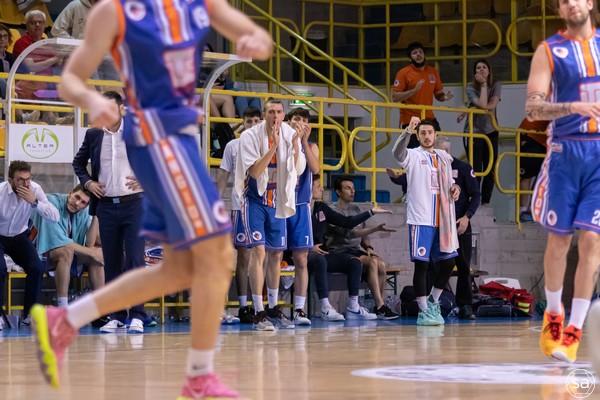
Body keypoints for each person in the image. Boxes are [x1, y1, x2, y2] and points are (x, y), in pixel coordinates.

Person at [29, 1, 273, 399]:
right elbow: (70, 80)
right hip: (153, 142)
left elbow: (260, 39)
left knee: (179, 269)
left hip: (182, 142)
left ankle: (65, 320)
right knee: (217, 255)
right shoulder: (114, 12)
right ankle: (198, 376)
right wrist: (94, 102)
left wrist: (253, 40)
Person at [525, 0, 600, 363]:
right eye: (564, 0)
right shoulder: (549, 50)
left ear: (590, 3)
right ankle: (553, 313)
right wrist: (572, 107)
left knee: (592, 241)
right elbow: (532, 109)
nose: (571, 3)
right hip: (565, 153)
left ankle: (574, 329)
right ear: (559, 10)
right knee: (559, 241)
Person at [72, 91, 148, 334]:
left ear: (121, 109)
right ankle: (116, 315)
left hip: (135, 204)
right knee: (111, 261)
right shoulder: (94, 134)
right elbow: (78, 163)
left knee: (134, 259)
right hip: (105, 205)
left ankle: (137, 315)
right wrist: (88, 183)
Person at [233, 98, 306, 331]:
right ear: (264, 115)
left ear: (284, 115)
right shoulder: (249, 137)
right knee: (259, 251)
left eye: (279, 112)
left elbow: (299, 169)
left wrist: (296, 146)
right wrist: (273, 146)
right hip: (254, 199)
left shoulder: (290, 133)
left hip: (277, 201)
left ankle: (273, 308)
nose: (275, 116)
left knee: (276, 254)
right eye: (271, 112)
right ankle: (258, 311)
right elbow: (255, 172)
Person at [392, 117, 461, 326]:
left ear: (435, 135)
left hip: (443, 219)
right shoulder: (413, 155)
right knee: (422, 265)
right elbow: (397, 153)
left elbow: (450, 183)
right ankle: (423, 311)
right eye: (422, 133)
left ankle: (433, 301)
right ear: (418, 135)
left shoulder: (443, 157)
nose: (427, 136)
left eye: (430, 132)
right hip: (421, 219)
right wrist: (407, 131)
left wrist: (455, 189)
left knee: (449, 263)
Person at [310, 175, 390, 320]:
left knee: (375, 264)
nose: (322, 189)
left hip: (351, 251)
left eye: (353, 188)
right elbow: (349, 232)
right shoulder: (312, 208)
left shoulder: (324, 207)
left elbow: (350, 223)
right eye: (348, 188)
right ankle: (325, 306)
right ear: (338, 192)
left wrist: (368, 246)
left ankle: (359, 306)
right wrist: (375, 226)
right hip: (337, 250)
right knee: (371, 262)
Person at [216, 106, 262, 324]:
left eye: (256, 121)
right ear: (242, 123)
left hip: (265, 206)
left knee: (264, 255)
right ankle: (244, 306)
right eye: (248, 121)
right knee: (244, 255)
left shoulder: (269, 144)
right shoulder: (232, 146)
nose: (252, 125)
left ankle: (263, 305)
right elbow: (223, 177)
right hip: (241, 205)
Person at [0, 160, 59, 328]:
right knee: (0, 269)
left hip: (19, 236)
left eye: (28, 179)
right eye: (20, 180)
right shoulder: (1, 192)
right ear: (10, 181)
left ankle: (28, 315)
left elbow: (55, 217)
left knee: (37, 268)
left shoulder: (35, 190)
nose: (26, 184)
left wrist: (35, 202)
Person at [390, 42, 453, 197]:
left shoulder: (432, 71)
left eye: (420, 52)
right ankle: (407, 193)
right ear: (410, 58)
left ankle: (439, 187)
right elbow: (395, 97)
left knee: (438, 151)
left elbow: (438, 94)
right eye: (414, 53)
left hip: (429, 118)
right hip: (410, 119)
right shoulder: (404, 73)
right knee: (411, 157)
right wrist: (413, 90)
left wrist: (445, 97)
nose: (418, 55)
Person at [30, 185, 104, 309]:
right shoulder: (51, 202)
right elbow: (58, 240)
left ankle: (102, 308)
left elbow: (89, 244)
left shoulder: (83, 212)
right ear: (70, 193)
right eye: (77, 197)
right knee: (68, 251)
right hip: (43, 252)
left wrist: (95, 215)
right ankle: (63, 307)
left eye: (83, 202)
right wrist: (92, 252)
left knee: (97, 258)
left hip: (69, 253)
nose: (77, 203)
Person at [433, 136, 480, 320]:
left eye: (443, 151)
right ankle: (437, 303)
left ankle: (465, 305)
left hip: (459, 223)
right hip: (437, 224)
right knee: (435, 265)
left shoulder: (463, 168)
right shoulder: (430, 168)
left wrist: (467, 217)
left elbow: (476, 195)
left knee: (463, 266)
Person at [284, 107, 319, 326]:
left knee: (301, 259)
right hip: (280, 204)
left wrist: (304, 142)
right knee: (273, 256)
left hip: (301, 205)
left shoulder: (312, 146)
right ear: (288, 121)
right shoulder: (280, 140)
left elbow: (315, 169)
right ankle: (269, 306)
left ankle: (299, 309)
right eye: (297, 119)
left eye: (305, 120)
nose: (301, 123)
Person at [458, 59, 502, 205]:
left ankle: (485, 202)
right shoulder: (470, 87)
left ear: (489, 71)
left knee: (490, 169)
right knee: (475, 169)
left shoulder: (496, 84)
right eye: (478, 68)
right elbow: (483, 105)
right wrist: (483, 85)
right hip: (474, 131)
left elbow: (491, 106)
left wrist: (471, 108)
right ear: (474, 73)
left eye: (484, 67)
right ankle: (474, 201)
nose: (481, 70)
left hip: (491, 131)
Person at [516, 118, 549, 222]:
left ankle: (532, 210)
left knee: (542, 177)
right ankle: (523, 211)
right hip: (531, 135)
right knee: (527, 175)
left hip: (544, 139)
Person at [0, 24, 16, 100]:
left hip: (9, 88)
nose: (2, 39)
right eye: (0, 36)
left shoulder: (11, 57)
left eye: (5, 36)